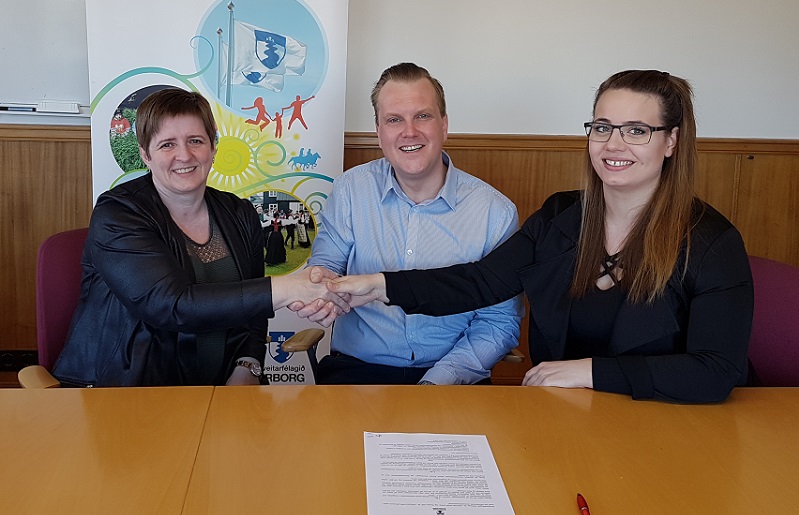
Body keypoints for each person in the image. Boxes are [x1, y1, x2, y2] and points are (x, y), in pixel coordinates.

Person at [322, 70, 754, 403]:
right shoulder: (560, 217)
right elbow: (478, 282)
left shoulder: (712, 242)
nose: (613, 144)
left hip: (667, 420)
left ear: (671, 141)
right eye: (602, 127)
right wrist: (378, 285)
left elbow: (716, 371)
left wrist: (589, 372)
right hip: (568, 414)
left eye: (636, 130)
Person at [52, 88, 346, 387]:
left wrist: (248, 365)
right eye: (167, 144)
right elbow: (171, 305)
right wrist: (290, 288)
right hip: (126, 389)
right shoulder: (118, 213)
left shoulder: (239, 212)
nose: (184, 155)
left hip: (222, 387)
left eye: (195, 140)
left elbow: (253, 312)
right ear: (145, 154)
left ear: (213, 147)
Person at [305, 63, 523, 385]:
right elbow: (327, 264)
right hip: (358, 372)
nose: (409, 131)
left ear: (444, 126)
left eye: (422, 116)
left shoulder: (495, 212)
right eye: (394, 119)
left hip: (454, 375)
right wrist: (322, 284)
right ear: (379, 132)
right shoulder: (351, 190)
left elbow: (499, 322)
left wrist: (440, 380)